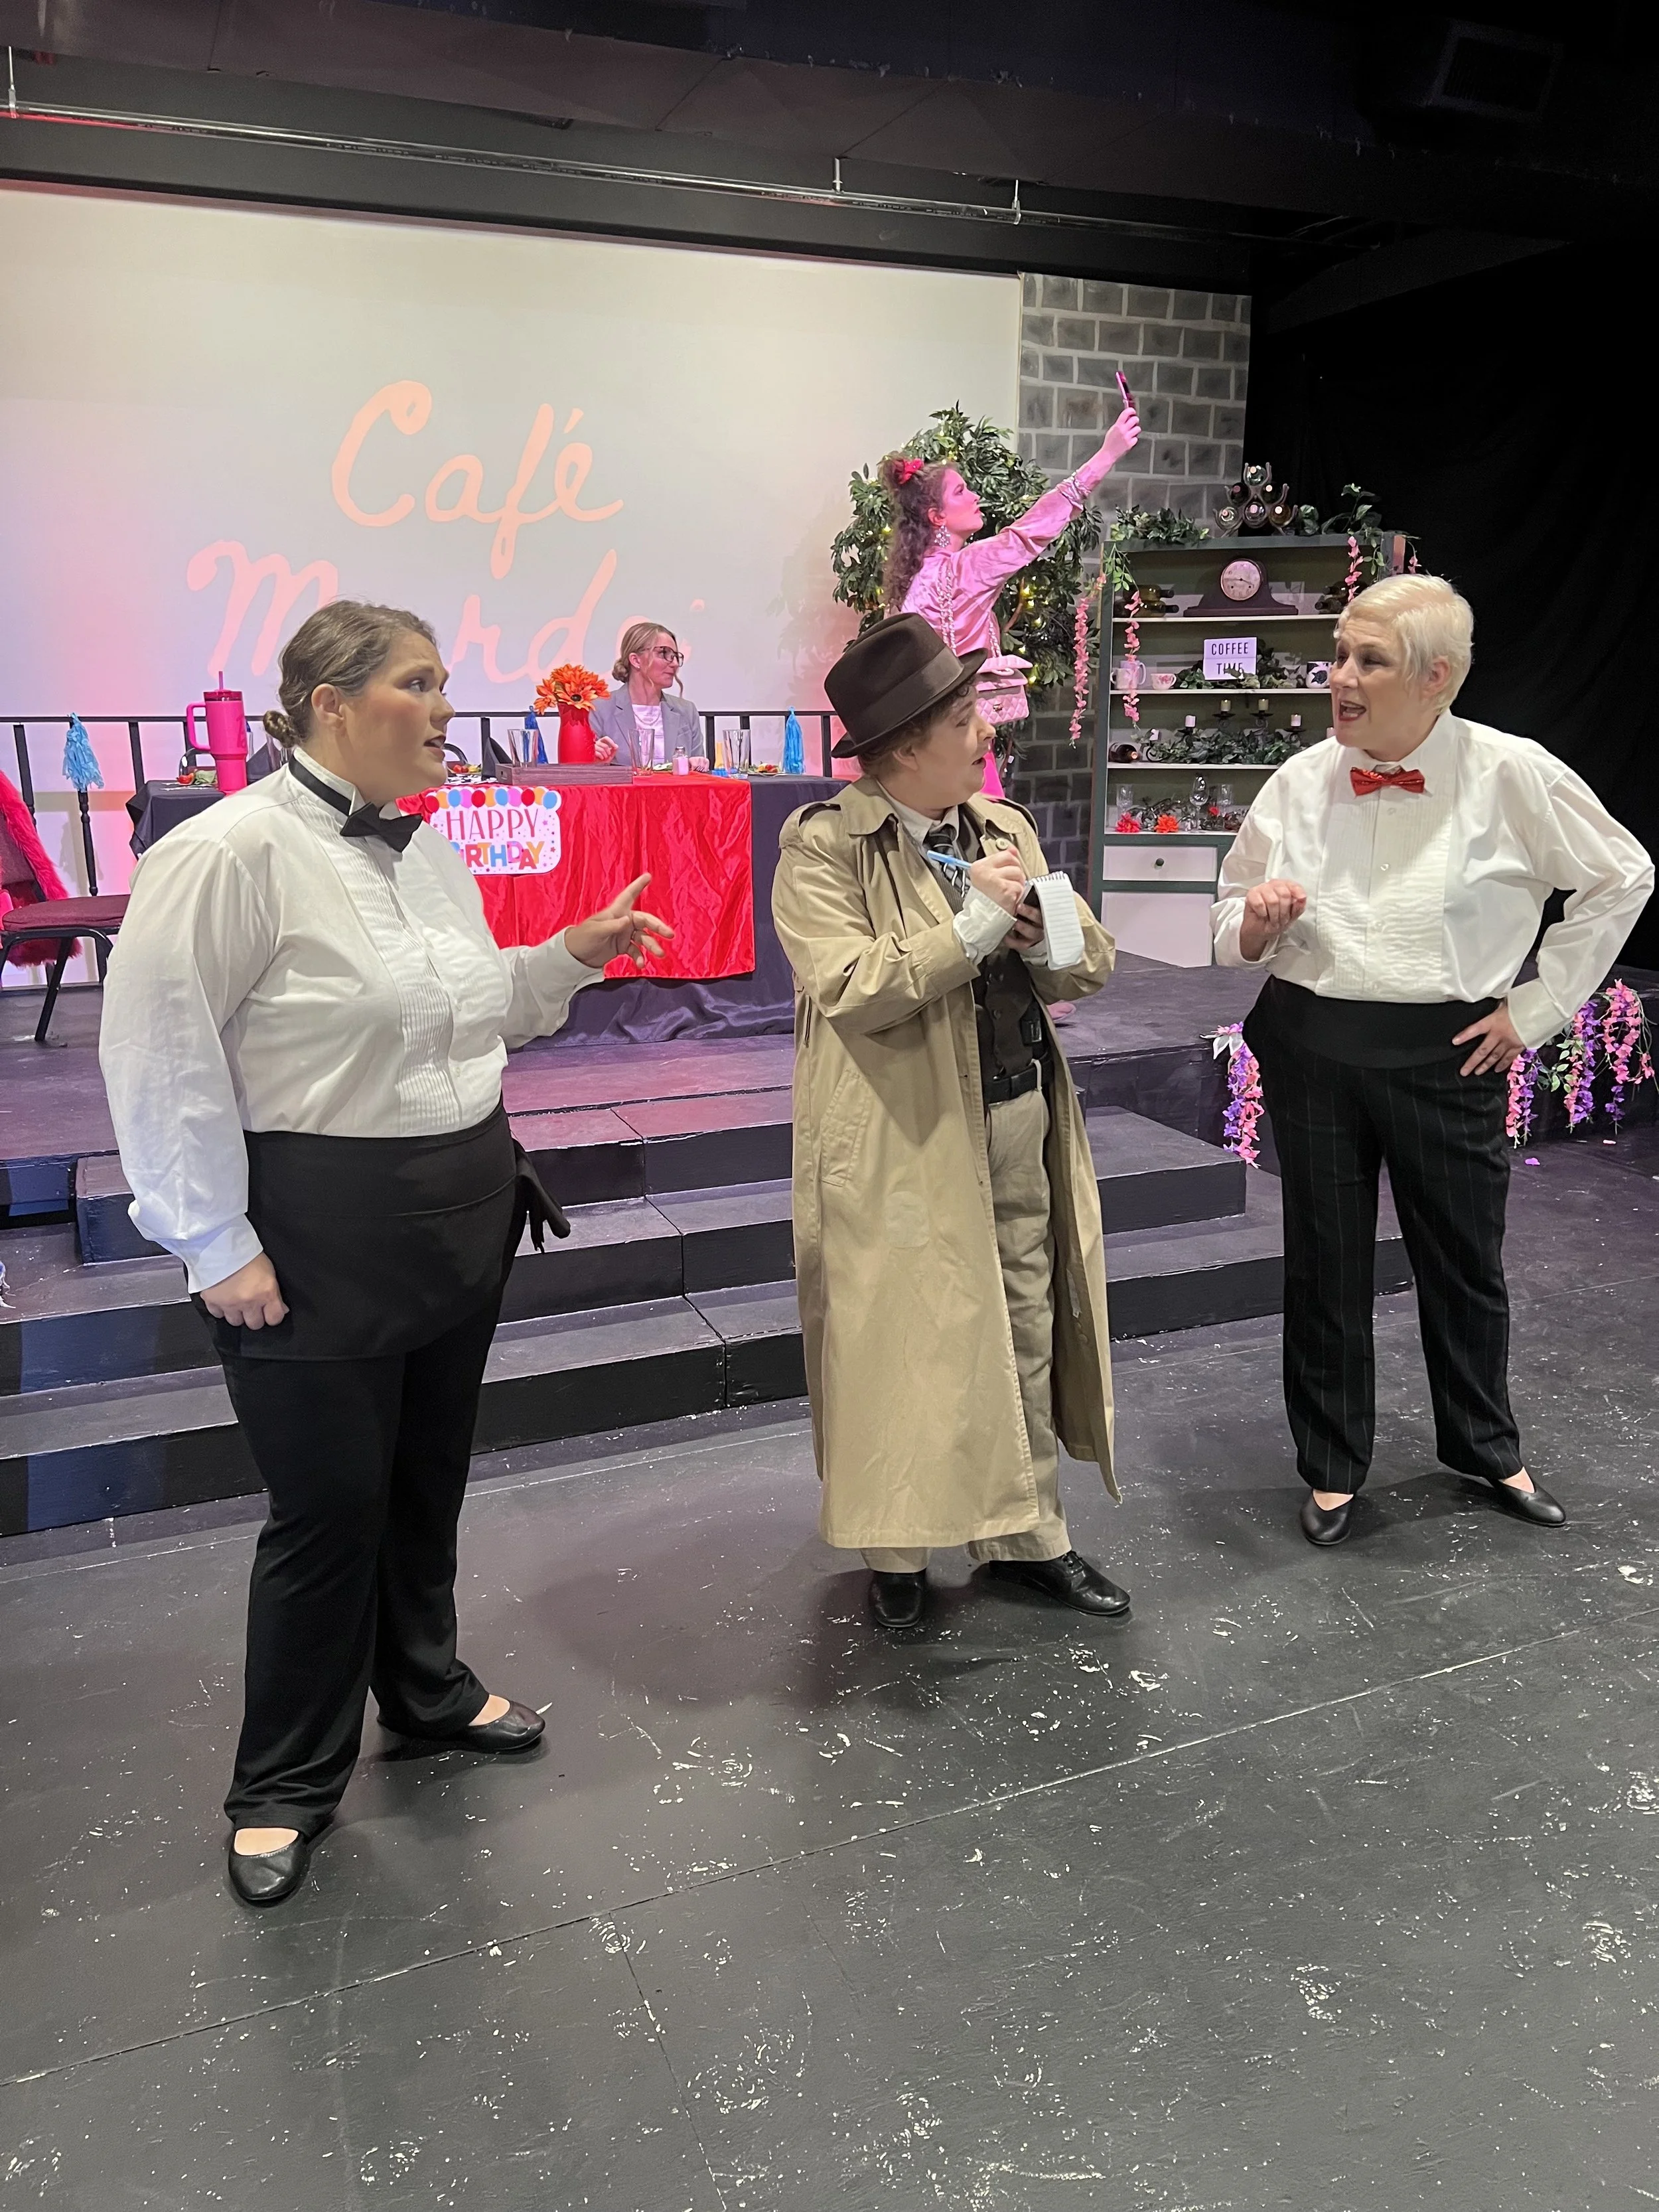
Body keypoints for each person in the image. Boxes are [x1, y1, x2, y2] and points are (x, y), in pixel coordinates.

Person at [100, 601, 671, 1907]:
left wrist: (562, 959)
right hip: (311, 1234)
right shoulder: (229, 853)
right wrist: (211, 1242)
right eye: (419, 683)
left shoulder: (428, 848)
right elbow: (158, 1053)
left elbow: (467, 1017)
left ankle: (425, 1689)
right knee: (326, 1513)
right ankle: (284, 1780)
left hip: (459, 1208)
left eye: (443, 681)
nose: (444, 707)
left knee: (424, 1483)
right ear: (328, 702)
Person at [1212, 573, 1652, 1548]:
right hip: (1311, 1041)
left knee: (1464, 1262)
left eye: (1371, 660)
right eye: (1339, 654)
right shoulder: (1298, 777)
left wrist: (1536, 1008)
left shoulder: (1514, 772)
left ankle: (1487, 1448)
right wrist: (1253, 925)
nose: (1343, 678)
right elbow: (1227, 911)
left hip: (1446, 1051)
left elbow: (1623, 874)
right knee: (1322, 1265)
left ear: (1437, 677)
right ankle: (1331, 1468)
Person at [772, 613, 1127, 1634]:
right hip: (900, 1139)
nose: (986, 735)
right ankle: (898, 1550)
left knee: (1021, 1322)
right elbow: (851, 985)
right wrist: (970, 930)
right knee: (898, 1344)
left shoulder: (1002, 826)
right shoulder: (824, 849)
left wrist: (1044, 930)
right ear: (901, 748)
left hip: (1015, 1116)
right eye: (966, 717)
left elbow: (1087, 966)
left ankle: (1027, 1538)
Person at [879, 403, 1139, 804]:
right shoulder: (966, 567)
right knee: (989, 839)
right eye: (961, 492)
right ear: (936, 516)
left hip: (919, 749)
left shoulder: (908, 582)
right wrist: (1107, 454)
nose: (976, 495)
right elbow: (1034, 529)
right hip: (959, 741)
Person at [590, 622, 702, 769]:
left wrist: (697, 765)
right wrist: (595, 760)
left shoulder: (686, 711)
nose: (674, 663)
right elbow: (584, 775)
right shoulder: (600, 708)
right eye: (664, 654)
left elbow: (701, 776)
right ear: (636, 660)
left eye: (675, 656)